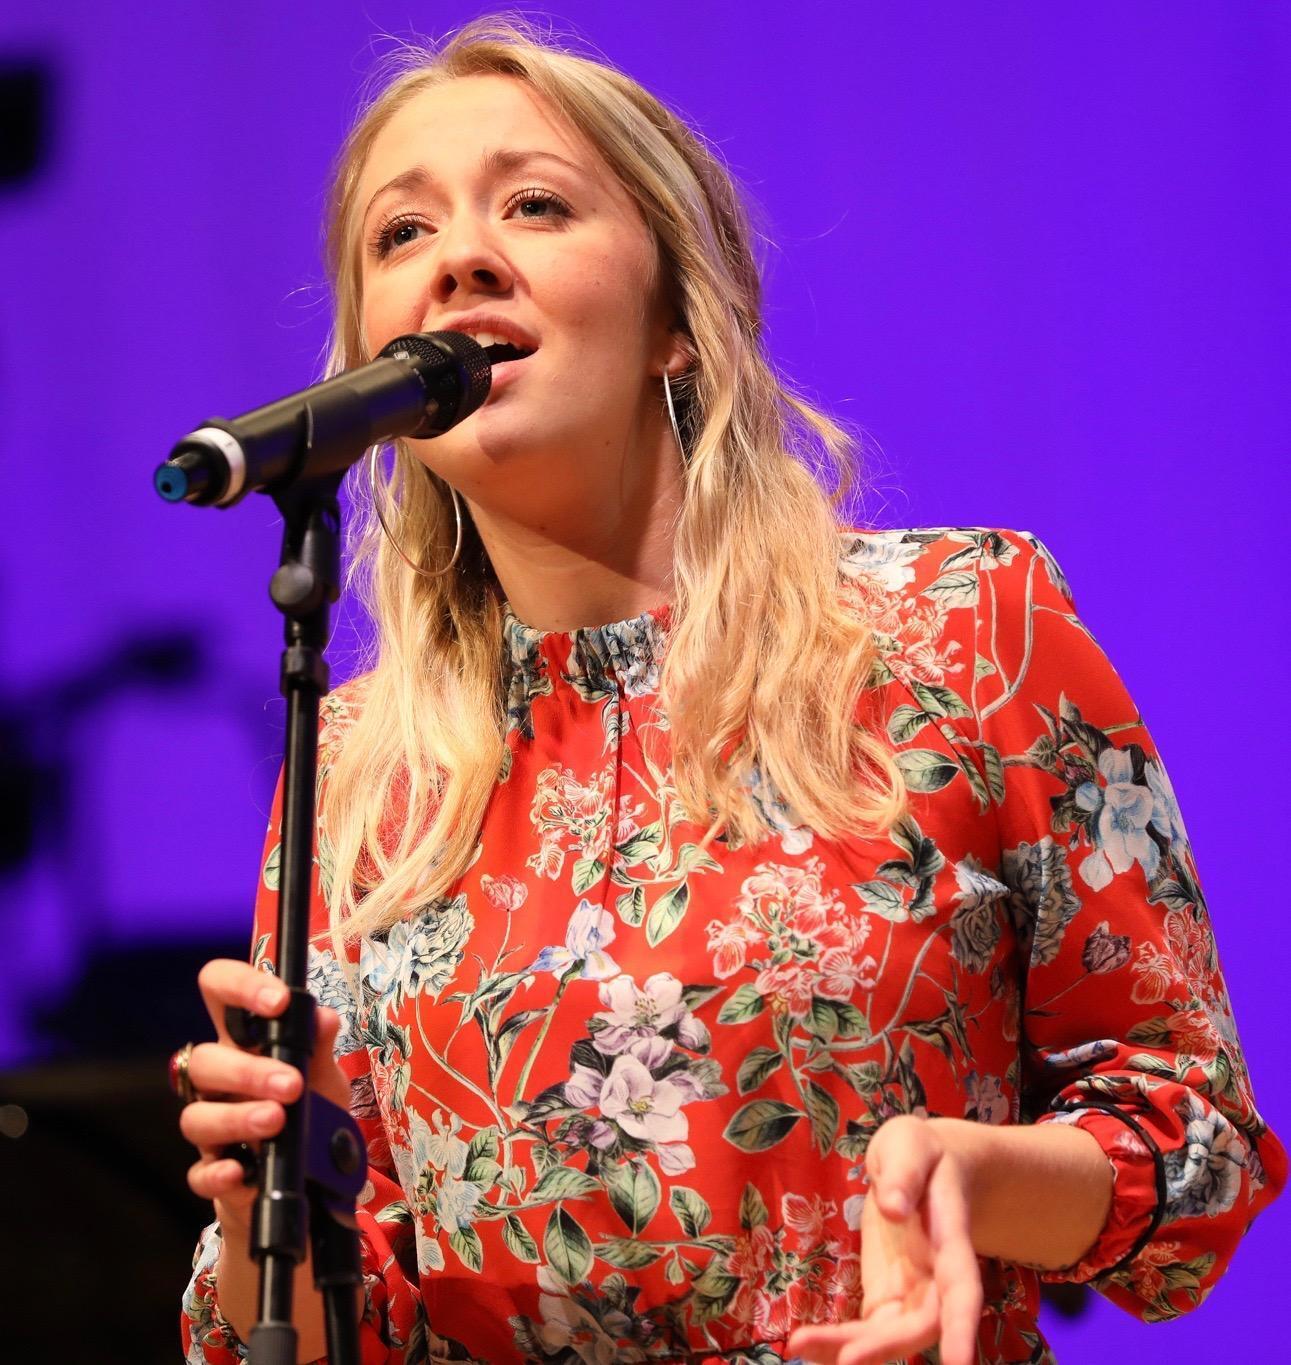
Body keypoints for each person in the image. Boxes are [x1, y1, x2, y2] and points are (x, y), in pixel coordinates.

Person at [175, 18, 1284, 1365]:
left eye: (535, 204)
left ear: (674, 324)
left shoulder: (964, 629)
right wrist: (273, 1221)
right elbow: (332, 1334)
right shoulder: (361, 766)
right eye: (401, 233)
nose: (461, 255)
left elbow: (1197, 1154)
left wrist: (971, 1176)